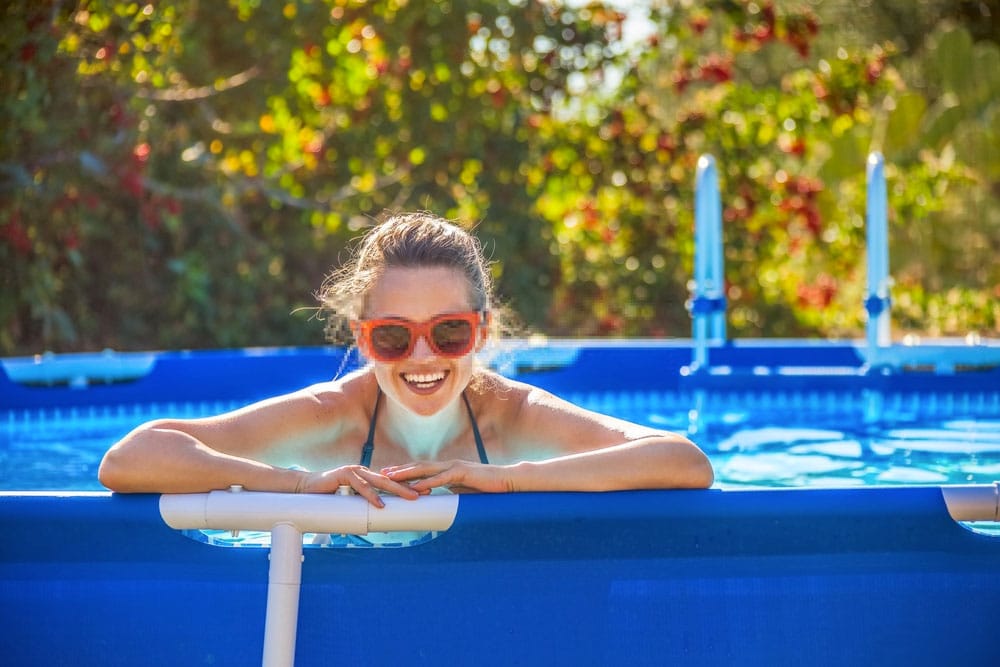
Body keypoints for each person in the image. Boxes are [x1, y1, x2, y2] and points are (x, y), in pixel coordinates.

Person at [99, 211, 713, 505]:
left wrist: (504, 478)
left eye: (448, 332)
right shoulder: (331, 417)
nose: (422, 356)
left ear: (484, 329)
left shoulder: (514, 417)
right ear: (362, 336)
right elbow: (129, 458)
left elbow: (684, 461)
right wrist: (299, 484)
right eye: (394, 335)